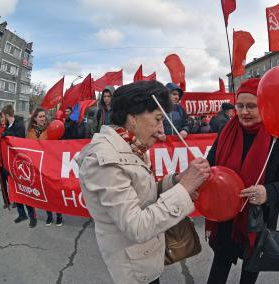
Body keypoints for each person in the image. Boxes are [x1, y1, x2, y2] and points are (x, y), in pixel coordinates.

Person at [77, 80, 211, 284]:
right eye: (158, 119)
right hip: (133, 268)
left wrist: (176, 181)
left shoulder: (131, 145)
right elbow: (137, 227)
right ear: (132, 118)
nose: (161, 130)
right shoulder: (105, 159)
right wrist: (184, 190)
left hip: (146, 256)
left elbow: (143, 193)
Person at [205, 78, 279, 284]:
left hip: (258, 221)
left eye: (251, 106)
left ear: (264, 105)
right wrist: (202, 171)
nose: (244, 112)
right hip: (225, 219)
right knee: (219, 268)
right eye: (240, 106)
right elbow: (210, 164)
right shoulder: (226, 130)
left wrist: (268, 193)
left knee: (250, 271)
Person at [0, 105, 37, 227]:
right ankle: (22, 214)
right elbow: (3, 137)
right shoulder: (8, 127)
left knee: (24, 191)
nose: (2, 119)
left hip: (18, 164)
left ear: (7, 115)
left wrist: (1, 135)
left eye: (3, 116)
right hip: (8, 165)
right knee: (15, 190)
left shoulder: (19, 126)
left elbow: (12, 137)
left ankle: (32, 216)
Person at [26, 107, 63, 227]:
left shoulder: (50, 129)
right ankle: (49, 215)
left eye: (44, 116)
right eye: (40, 116)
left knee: (54, 192)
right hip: (37, 167)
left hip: (50, 165)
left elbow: (57, 145)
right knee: (45, 192)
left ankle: (59, 215)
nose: (43, 118)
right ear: (35, 119)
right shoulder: (30, 132)